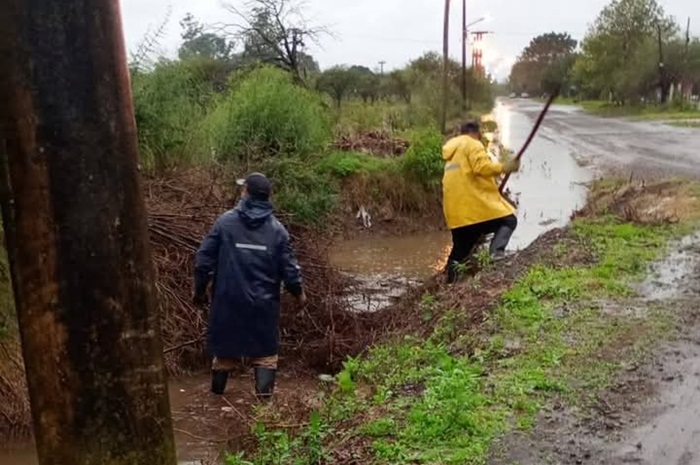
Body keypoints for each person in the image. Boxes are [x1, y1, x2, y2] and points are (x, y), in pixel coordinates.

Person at [193, 172, 306, 398]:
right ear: (267, 197)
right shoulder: (277, 230)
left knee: (224, 355)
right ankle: (264, 411)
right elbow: (290, 272)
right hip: (263, 308)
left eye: (242, 188)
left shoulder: (225, 223)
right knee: (265, 357)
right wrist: (299, 294)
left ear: (245, 193)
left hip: (227, 303)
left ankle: (216, 402)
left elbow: (203, 261)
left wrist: (199, 292)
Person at [442, 121, 521, 283]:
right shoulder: (472, 143)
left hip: (456, 214)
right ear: (477, 133)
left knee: (460, 251)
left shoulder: (453, 153)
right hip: (474, 209)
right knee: (509, 221)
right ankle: (495, 255)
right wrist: (504, 167)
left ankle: (449, 283)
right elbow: (481, 167)